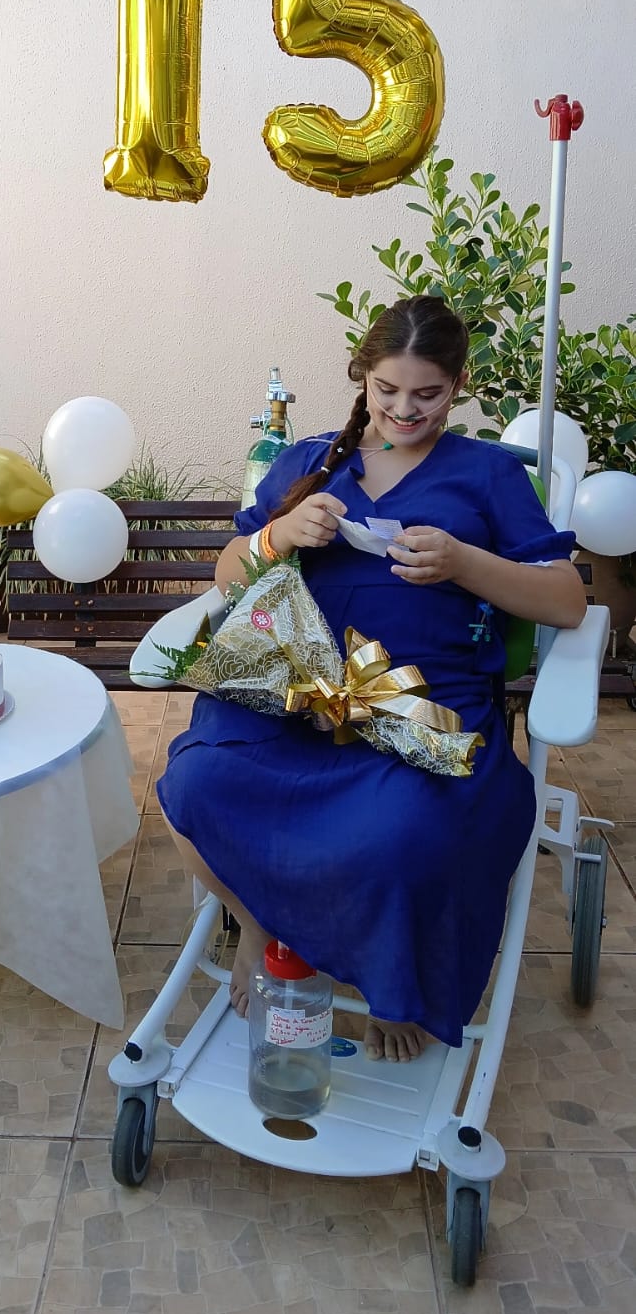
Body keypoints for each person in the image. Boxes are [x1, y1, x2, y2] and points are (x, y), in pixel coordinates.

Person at [156, 296, 585, 1064]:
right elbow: (227, 572)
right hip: (296, 692)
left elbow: (565, 599)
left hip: (420, 703)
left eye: (427, 393)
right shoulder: (311, 460)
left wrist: (462, 562)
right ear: (361, 376)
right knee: (195, 781)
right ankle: (261, 924)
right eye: (387, 389)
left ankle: (395, 983)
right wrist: (277, 535)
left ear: (457, 385)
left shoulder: (486, 474)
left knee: (403, 832)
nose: (405, 409)